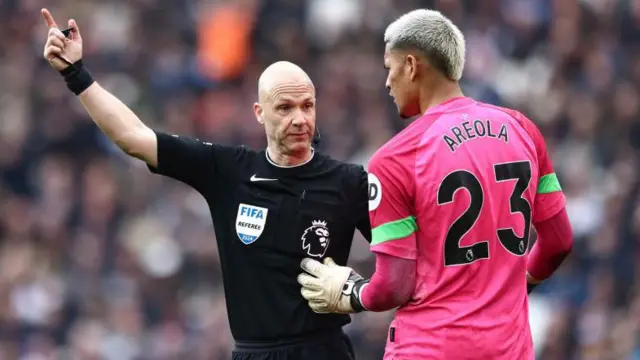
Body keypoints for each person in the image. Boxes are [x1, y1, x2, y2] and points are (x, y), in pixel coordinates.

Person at [40, 8, 370, 360]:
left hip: (324, 352)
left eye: (307, 106)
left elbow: (409, 261)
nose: (299, 119)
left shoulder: (347, 181)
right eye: (285, 107)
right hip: (252, 353)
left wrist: (362, 292)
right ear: (260, 112)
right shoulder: (229, 170)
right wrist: (76, 74)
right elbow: (132, 137)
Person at [297, 8, 574, 360]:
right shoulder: (523, 129)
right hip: (510, 349)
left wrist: (352, 293)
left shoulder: (395, 158)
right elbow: (559, 242)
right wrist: (518, 286)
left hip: (429, 348)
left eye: (389, 68)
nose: (386, 83)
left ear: (411, 66)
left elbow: (393, 284)